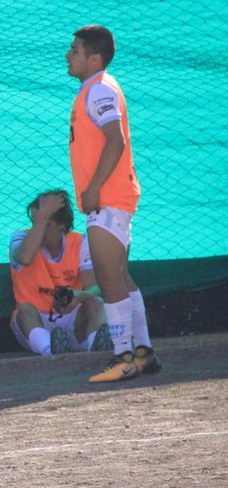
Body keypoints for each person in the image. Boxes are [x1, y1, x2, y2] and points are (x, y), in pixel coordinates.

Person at [65, 25, 161, 382]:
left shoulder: (99, 89)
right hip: (115, 196)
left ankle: (123, 357)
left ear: (95, 58)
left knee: (109, 280)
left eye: (74, 50)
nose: (68, 55)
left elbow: (115, 141)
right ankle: (144, 354)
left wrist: (92, 189)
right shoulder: (96, 88)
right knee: (121, 277)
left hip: (108, 199)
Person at [10, 189, 110, 355]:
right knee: (24, 310)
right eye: (34, 222)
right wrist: (43, 217)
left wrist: (78, 295)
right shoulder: (19, 238)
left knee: (96, 302)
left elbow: (94, 288)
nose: (38, 228)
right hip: (36, 323)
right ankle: (51, 350)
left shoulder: (79, 242)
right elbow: (25, 258)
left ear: (61, 224)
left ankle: (97, 350)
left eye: (45, 223)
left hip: (72, 320)